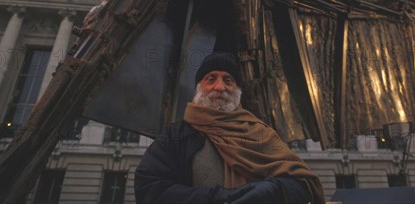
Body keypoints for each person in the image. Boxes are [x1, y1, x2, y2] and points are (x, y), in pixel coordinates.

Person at [135, 52, 325, 204]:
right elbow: (150, 188)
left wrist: (277, 189)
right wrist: (214, 197)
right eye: (211, 79)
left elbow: (303, 185)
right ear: (198, 89)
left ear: (237, 91)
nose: (220, 87)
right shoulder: (175, 135)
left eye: (228, 80)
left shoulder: (261, 132)